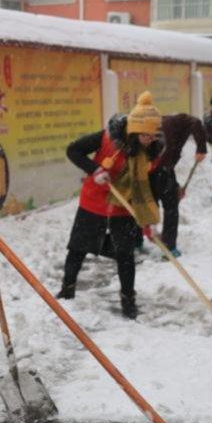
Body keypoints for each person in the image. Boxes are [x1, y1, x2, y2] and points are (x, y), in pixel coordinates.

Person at [56, 92, 162, 319]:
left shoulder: (149, 151)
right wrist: (95, 170)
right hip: (94, 201)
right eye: (146, 134)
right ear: (134, 129)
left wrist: (149, 218)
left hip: (124, 208)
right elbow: (73, 150)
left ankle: (128, 301)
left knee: (125, 254)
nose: (150, 139)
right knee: (78, 247)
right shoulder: (107, 138)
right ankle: (67, 290)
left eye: (153, 135)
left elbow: (149, 187)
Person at [148, 113, 207, 257]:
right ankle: (169, 247)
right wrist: (201, 148)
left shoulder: (156, 123)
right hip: (162, 170)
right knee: (171, 207)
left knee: (148, 204)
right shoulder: (179, 120)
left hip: (149, 170)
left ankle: (140, 239)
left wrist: (176, 186)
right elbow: (196, 122)